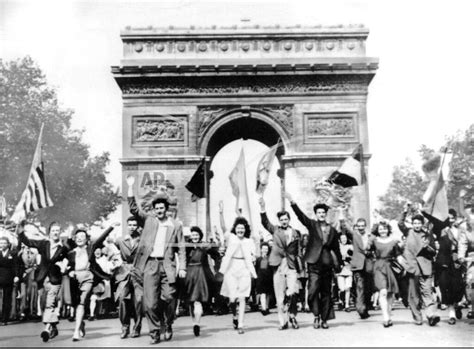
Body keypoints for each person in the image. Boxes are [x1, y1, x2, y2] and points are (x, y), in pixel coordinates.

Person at [127, 175, 186, 345]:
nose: (159, 210)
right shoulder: (149, 220)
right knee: (150, 304)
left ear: (166, 209)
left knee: (168, 297)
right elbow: (133, 209)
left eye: (162, 208)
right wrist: (130, 187)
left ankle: (167, 323)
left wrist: (182, 267)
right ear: (153, 209)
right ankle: (154, 333)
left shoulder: (175, 225)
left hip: (167, 266)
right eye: (156, 208)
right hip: (150, 265)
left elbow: (181, 247)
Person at [284, 192, 342, 329]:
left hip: (327, 264)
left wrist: (339, 266)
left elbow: (336, 248)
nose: (321, 214)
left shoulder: (332, 230)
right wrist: (292, 201)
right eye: (319, 212)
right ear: (316, 214)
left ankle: (324, 319)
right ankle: (316, 314)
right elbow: (300, 216)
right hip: (313, 264)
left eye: (323, 212)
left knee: (326, 292)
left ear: (326, 214)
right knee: (312, 291)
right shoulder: (312, 225)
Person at [16, 221, 70, 342]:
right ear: (49, 233)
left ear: (60, 233)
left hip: (55, 279)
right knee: (43, 303)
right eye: (53, 230)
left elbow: (71, 259)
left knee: (50, 303)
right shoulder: (43, 244)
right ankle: (54, 327)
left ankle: (46, 329)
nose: (55, 233)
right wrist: (20, 232)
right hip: (42, 278)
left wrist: (65, 266)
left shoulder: (64, 248)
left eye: (57, 230)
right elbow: (28, 242)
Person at [67, 224, 116, 341]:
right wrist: (69, 271)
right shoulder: (71, 252)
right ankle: (81, 323)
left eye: (82, 236)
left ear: (86, 239)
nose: (79, 238)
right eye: (77, 236)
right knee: (75, 304)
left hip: (88, 277)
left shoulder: (90, 248)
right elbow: (68, 265)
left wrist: (111, 227)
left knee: (82, 302)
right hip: (74, 279)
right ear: (74, 238)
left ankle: (76, 332)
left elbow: (101, 238)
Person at [259, 196, 302, 330]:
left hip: (291, 265)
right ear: (279, 221)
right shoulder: (275, 230)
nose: (284, 221)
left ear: (289, 220)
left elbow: (299, 250)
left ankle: (292, 315)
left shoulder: (296, 233)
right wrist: (262, 208)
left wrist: (300, 263)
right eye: (281, 219)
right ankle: (282, 321)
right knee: (279, 295)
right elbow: (265, 222)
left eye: (286, 219)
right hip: (278, 265)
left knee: (293, 291)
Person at [398, 204, 440, 326]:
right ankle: (417, 316)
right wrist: (405, 211)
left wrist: (428, 247)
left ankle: (431, 315)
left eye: (419, 223)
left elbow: (433, 252)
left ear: (422, 224)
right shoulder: (408, 232)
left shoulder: (427, 234)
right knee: (414, 295)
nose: (417, 225)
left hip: (426, 268)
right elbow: (400, 224)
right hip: (412, 268)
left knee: (427, 292)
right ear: (412, 224)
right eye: (415, 223)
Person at [219, 217, 257, 334]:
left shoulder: (249, 241)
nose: (240, 230)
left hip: (244, 268)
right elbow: (223, 227)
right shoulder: (231, 238)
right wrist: (221, 213)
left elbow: (253, 254)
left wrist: (253, 257)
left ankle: (241, 324)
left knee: (242, 297)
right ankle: (234, 315)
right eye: (238, 228)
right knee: (232, 299)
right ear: (235, 229)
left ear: (245, 230)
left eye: (242, 228)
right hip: (231, 268)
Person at [184, 226, 219, 337]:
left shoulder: (204, 246)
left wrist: (213, 244)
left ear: (200, 236)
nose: (194, 237)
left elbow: (215, 253)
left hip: (200, 274)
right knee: (190, 302)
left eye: (196, 235)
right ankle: (194, 322)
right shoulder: (187, 246)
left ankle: (197, 324)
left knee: (197, 300)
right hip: (188, 274)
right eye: (193, 235)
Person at [113, 215, 143, 339]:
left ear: (138, 226)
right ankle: (125, 327)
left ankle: (137, 328)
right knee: (123, 299)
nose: (132, 227)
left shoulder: (142, 239)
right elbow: (111, 250)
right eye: (130, 225)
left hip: (138, 271)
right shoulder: (120, 240)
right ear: (127, 225)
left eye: (134, 225)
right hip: (124, 272)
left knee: (139, 301)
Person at [340, 217, 374, 319]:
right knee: (360, 287)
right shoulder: (354, 235)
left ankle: (366, 306)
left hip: (368, 265)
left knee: (368, 288)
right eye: (358, 226)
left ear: (365, 226)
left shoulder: (370, 236)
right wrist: (342, 218)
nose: (360, 228)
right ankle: (360, 309)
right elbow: (346, 227)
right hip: (358, 265)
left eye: (362, 226)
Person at [370, 221, 402, 327]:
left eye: (384, 228)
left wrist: (406, 266)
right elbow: (366, 250)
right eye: (380, 229)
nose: (382, 230)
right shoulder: (374, 241)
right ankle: (385, 317)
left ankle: (388, 315)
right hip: (379, 267)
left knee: (390, 294)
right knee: (383, 291)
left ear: (388, 229)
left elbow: (398, 256)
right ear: (377, 231)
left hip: (390, 267)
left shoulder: (393, 242)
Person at [0, 236, 21, 325]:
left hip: (8, 277)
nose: (2, 245)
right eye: (1, 243)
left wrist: (16, 276)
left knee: (7, 299)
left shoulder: (12, 254)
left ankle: (5, 318)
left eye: (4, 243)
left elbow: (15, 266)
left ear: (8, 244)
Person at [255, 242, 273, 316]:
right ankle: (263, 308)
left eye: (266, 249)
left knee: (268, 293)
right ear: (261, 249)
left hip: (268, 277)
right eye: (263, 249)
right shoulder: (258, 259)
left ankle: (267, 306)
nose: (265, 250)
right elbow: (257, 268)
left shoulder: (270, 258)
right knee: (262, 293)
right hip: (260, 278)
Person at [336, 234, 353, 312]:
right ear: (339, 239)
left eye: (345, 238)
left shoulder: (350, 246)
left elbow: (353, 256)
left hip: (349, 269)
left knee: (348, 288)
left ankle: (347, 305)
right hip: (340, 270)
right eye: (342, 238)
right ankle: (341, 301)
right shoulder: (338, 247)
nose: (344, 240)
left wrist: (349, 258)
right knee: (342, 288)